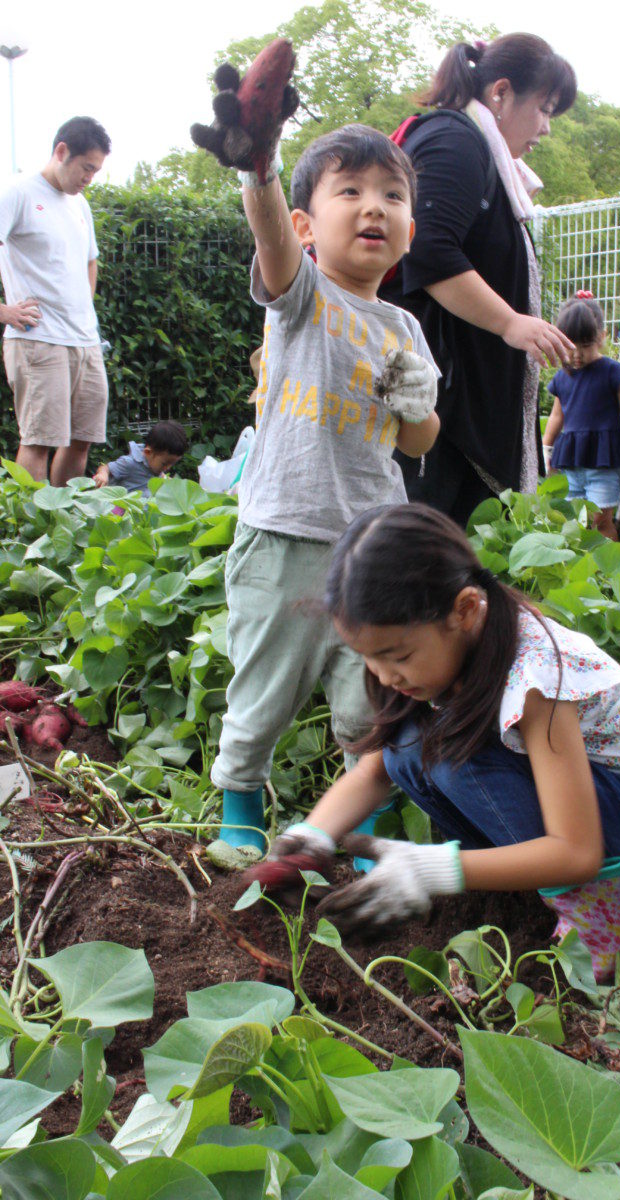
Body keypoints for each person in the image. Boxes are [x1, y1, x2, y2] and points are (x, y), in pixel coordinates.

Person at [264, 503, 620, 981]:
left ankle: (595, 923)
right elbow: (372, 770)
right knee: (406, 747)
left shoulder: (536, 679)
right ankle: (507, 876)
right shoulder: (439, 658)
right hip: (589, 817)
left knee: (449, 752)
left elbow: (577, 852)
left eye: (398, 655)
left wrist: (427, 870)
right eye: (368, 658)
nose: (385, 675)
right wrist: (309, 840)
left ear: (465, 610)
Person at [207, 122, 440, 859]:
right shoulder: (302, 295)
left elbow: (417, 442)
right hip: (285, 536)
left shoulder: (404, 325)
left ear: (410, 226)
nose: (374, 207)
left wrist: (418, 405)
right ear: (307, 223)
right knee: (267, 688)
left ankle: (354, 825)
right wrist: (259, 171)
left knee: (366, 699)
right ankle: (241, 799)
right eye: (351, 191)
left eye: (393, 196)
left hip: (371, 547)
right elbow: (272, 244)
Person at [380, 34, 576, 526]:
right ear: (501, 93)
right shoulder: (456, 140)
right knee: (428, 546)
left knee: (449, 554)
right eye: (545, 108)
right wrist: (510, 321)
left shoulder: (476, 149)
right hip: (443, 400)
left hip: (454, 401)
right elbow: (428, 247)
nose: (547, 128)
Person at [0, 116, 112, 486]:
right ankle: (32, 533)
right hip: (39, 340)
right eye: (86, 168)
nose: (89, 178)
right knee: (40, 441)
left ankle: (65, 524)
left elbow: (90, 260)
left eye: (95, 171)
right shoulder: (18, 193)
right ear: (61, 152)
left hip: (85, 341)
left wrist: (84, 308)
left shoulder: (80, 205)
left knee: (82, 440)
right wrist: (4, 311)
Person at [542, 293, 620, 540]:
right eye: (570, 347)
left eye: (585, 346)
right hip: (571, 460)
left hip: (604, 461)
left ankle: (608, 574)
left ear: (601, 338)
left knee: (601, 519)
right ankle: (582, 571)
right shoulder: (563, 377)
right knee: (574, 520)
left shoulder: (613, 372)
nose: (576, 355)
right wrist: (546, 448)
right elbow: (556, 416)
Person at [93, 420, 188, 492]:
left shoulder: (155, 466)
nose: (168, 468)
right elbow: (106, 467)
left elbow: (161, 476)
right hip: (123, 512)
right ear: (147, 452)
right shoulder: (129, 463)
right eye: (164, 463)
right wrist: (103, 475)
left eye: (172, 463)